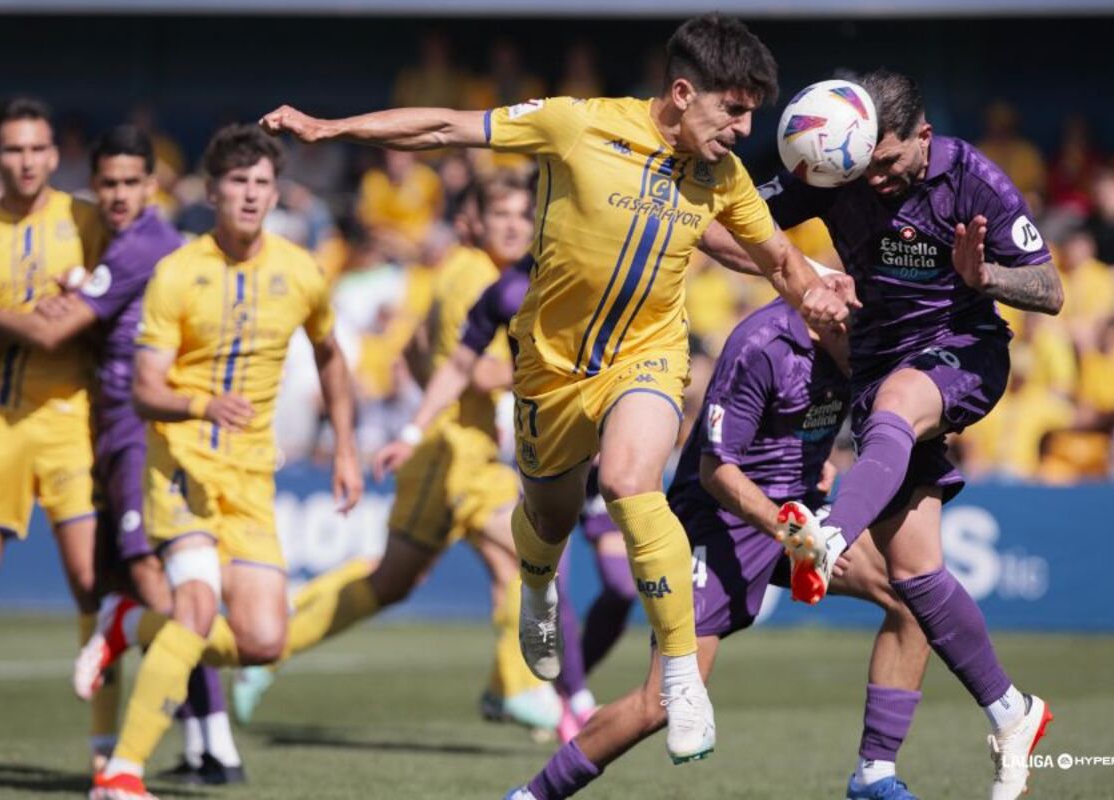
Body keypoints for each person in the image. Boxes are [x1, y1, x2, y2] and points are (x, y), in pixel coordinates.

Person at [261, 12, 850, 764]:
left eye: (750, 114)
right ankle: (538, 586)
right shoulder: (575, 124)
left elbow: (772, 256)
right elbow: (446, 127)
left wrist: (819, 292)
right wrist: (330, 129)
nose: (743, 129)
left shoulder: (723, 176)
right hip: (549, 367)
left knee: (632, 478)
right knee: (548, 518)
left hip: (647, 357)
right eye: (733, 109)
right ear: (681, 91)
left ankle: (680, 679)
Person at [703, 69, 1062, 799]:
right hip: (876, 367)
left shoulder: (973, 178)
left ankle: (829, 534)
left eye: (892, 164)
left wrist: (984, 275)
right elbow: (720, 225)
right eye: (867, 167)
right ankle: (1010, 711)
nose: (880, 180)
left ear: (923, 138)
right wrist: (801, 272)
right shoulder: (838, 166)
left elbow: (1049, 290)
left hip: (961, 351)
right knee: (914, 575)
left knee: (900, 400)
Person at [506, 296, 931, 800]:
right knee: (662, 702)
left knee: (910, 599)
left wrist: (815, 471)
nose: (873, 361)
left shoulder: (856, 348)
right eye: (866, 345)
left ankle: (873, 775)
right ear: (836, 326)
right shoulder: (762, 345)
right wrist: (796, 536)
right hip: (717, 522)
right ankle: (531, 797)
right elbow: (715, 470)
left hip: (791, 517)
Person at [78, 123, 362, 800]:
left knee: (264, 641)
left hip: (252, 476)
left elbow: (329, 353)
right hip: (179, 464)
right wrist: (204, 408)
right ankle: (122, 772)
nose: (250, 195)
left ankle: (128, 622)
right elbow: (145, 390)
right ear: (211, 191)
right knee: (198, 608)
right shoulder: (177, 272)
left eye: (262, 183)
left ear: (276, 192)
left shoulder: (300, 270)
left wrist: (345, 446)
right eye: (237, 182)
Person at [231, 172, 568, 736]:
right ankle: (518, 687)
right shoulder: (477, 277)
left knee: (394, 581)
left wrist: (431, 396)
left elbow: (415, 349)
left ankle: (276, 641)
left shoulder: (468, 272)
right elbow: (479, 369)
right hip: (455, 452)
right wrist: (552, 369)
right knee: (526, 555)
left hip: (453, 445)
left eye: (521, 215)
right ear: (471, 222)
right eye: (500, 215)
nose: (514, 226)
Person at [0, 124, 246, 782]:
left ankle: (189, 704)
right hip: (108, 431)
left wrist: (59, 297)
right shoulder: (121, 242)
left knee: (146, 583)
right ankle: (209, 742)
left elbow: (62, 328)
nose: (115, 194)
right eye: (106, 182)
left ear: (152, 185)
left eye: (129, 182)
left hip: (137, 431)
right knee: (146, 579)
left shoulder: (144, 243)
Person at [374, 253, 637, 740]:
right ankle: (572, 700)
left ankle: (563, 688)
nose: (523, 225)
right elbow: (458, 365)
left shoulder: (604, 266)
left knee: (622, 587)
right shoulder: (506, 289)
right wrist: (412, 432)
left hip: (605, 449)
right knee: (547, 575)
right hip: (545, 455)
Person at [0, 95, 109, 769]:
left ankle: (106, 754)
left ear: (54, 153)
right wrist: (39, 316)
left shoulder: (86, 219)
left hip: (72, 420)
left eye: (38, 147)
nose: (27, 160)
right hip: (1, 420)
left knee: (91, 584)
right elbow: (43, 326)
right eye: (13, 148)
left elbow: (121, 300)